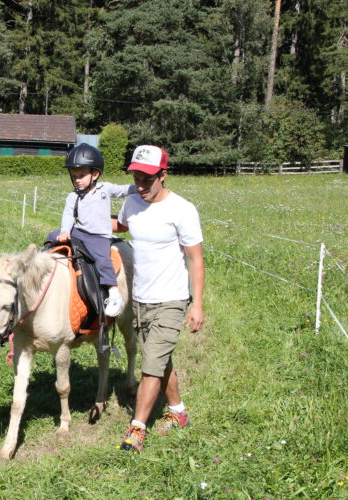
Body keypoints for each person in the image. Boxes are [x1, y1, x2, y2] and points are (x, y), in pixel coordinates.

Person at [114, 144, 205, 453]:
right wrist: (84, 221)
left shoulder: (182, 209)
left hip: (171, 299)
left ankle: (136, 430)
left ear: (163, 175)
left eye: (147, 179)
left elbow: (196, 259)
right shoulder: (132, 202)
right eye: (136, 178)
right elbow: (122, 225)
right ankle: (178, 412)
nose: (140, 185)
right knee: (160, 359)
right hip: (140, 299)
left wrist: (197, 304)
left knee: (150, 366)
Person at [50, 143, 137, 317]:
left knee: (103, 260)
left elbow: (122, 190)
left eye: (81, 176)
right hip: (80, 231)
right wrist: (65, 231)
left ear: (95, 174)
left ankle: (113, 292)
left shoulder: (105, 189)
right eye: (74, 176)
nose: (77, 180)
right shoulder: (73, 196)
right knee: (53, 235)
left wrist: (140, 187)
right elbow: (68, 215)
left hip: (99, 237)